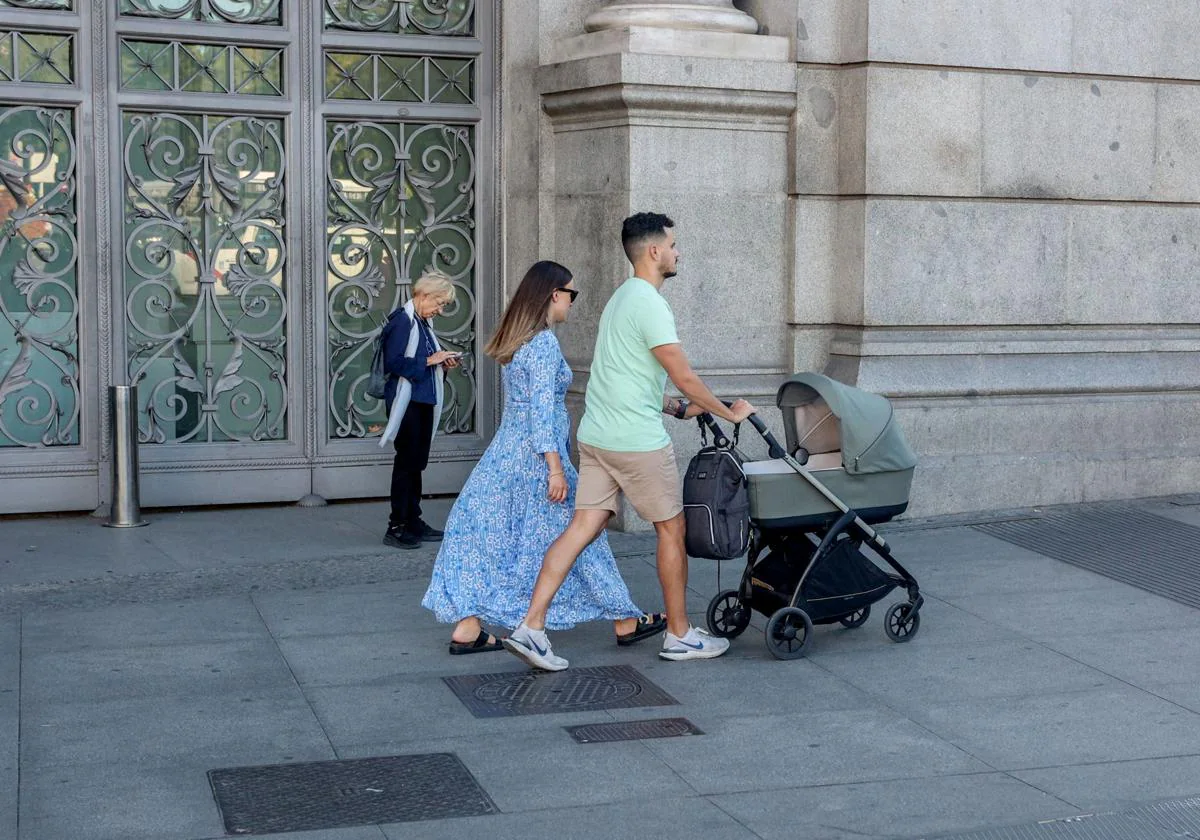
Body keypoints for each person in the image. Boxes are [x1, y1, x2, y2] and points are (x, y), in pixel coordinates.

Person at [503, 212, 757, 671]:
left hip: (598, 436)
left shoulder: (621, 299)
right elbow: (683, 373)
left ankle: (531, 626)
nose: (679, 252)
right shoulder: (651, 304)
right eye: (674, 245)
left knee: (582, 527)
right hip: (636, 442)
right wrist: (727, 411)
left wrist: (675, 408)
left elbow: (623, 375)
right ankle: (679, 635)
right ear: (654, 251)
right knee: (671, 529)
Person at [421, 260, 665, 654]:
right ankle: (624, 618)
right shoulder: (544, 344)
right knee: (583, 537)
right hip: (537, 458)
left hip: (506, 454)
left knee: (481, 535)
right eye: (572, 293)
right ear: (554, 294)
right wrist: (554, 467)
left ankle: (468, 625)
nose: (573, 302)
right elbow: (538, 410)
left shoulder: (521, 340)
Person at [379, 269, 461, 549]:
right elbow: (393, 363)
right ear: (424, 295)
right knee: (406, 464)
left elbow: (422, 360)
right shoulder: (403, 321)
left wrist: (441, 363)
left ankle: (413, 519)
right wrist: (430, 360)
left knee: (416, 464)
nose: (440, 310)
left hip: (423, 400)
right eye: (439, 303)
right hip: (408, 403)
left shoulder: (421, 322)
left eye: (443, 305)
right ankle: (397, 525)